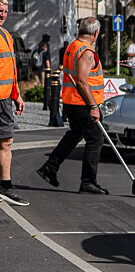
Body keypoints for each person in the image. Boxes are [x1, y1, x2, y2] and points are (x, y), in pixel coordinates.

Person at [37, 17, 108, 194]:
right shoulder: (87, 52)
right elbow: (82, 82)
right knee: (95, 139)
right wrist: (93, 106)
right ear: (95, 33)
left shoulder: (73, 46)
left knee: (75, 134)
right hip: (83, 102)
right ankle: (88, 181)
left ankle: (50, 167)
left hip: (70, 100)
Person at [0, 0, 28, 206]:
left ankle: (5, 184)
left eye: (5, 11)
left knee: (6, 141)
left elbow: (11, 70)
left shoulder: (6, 35)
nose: (2, 14)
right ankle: (5, 185)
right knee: (5, 142)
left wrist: (16, 94)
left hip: (4, 99)